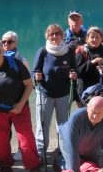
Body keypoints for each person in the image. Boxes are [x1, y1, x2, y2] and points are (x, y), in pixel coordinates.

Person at [0, 39, 44, 172]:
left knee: (26, 138)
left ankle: (34, 167)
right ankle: (5, 167)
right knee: (0, 141)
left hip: (19, 108)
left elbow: (29, 85)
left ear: (3, 50)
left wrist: (20, 105)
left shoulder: (16, 64)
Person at [32, 25, 77, 163]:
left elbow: (74, 69)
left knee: (63, 125)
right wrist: (36, 77)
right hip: (45, 93)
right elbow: (34, 71)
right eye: (51, 34)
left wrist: (74, 75)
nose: (54, 36)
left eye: (57, 33)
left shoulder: (69, 51)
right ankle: (41, 154)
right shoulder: (43, 51)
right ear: (47, 36)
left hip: (63, 94)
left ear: (62, 35)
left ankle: (63, 152)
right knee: (42, 125)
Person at [57, 97, 103, 172]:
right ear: (87, 108)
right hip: (68, 140)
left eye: (99, 113)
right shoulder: (76, 117)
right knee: (70, 170)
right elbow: (72, 146)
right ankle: (59, 157)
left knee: (98, 166)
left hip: (90, 141)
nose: (95, 116)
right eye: (93, 112)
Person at [75, 26, 103, 94]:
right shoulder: (81, 50)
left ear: (101, 38)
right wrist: (92, 63)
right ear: (87, 39)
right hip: (86, 90)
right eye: (92, 37)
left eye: (97, 37)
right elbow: (78, 71)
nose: (95, 40)